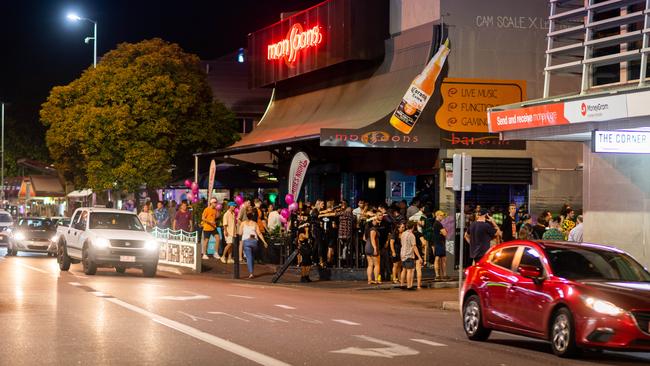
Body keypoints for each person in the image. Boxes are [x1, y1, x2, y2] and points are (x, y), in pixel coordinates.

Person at [238, 211, 268, 279]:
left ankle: (251, 273)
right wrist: (264, 241)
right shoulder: (255, 224)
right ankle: (252, 271)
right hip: (254, 242)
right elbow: (259, 233)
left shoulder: (243, 223)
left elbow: (240, 233)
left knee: (249, 257)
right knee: (252, 257)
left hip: (246, 241)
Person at [400, 221, 422, 290]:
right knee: (410, 270)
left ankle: (402, 284)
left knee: (404, 269)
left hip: (402, 253)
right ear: (413, 227)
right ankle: (409, 286)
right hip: (409, 254)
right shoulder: (412, 235)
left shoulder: (403, 233)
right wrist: (419, 257)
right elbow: (414, 247)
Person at [365, 214, 381, 285]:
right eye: (374, 220)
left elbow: (364, 238)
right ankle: (376, 279)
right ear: (372, 221)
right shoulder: (373, 229)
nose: (376, 221)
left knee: (370, 264)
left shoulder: (367, 229)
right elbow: (372, 239)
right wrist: (375, 248)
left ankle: (369, 280)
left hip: (367, 247)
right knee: (377, 264)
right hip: (372, 247)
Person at [432, 210, 448, 280]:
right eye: (441, 215)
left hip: (438, 243)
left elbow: (444, 233)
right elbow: (445, 233)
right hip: (439, 243)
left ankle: (442, 274)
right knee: (438, 258)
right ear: (437, 215)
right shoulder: (438, 224)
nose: (442, 217)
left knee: (442, 258)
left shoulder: (436, 223)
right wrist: (444, 232)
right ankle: (438, 275)